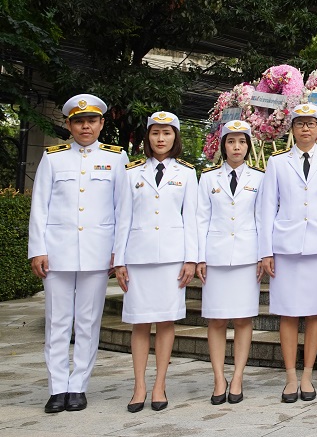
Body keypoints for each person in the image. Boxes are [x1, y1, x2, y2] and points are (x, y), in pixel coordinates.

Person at [28, 94, 128, 414]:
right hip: (57, 253)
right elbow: (39, 207)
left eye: (92, 121)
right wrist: (38, 250)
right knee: (57, 322)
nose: (86, 126)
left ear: (101, 123)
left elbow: (122, 211)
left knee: (87, 322)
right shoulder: (53, 157)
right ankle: (58, 387)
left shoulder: (116, 158)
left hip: (97, 254)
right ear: (69, 124)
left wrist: (118, 253)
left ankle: (78, 386)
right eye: (79, 121)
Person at [259, 103, 317, 403]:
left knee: (314, 311)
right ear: (292, 128)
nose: (305, 129)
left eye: (311, 123)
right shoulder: (278, 163)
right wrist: (265, 251)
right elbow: (267, 208)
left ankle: (307, 374)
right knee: (287, 313)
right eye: (300, 124)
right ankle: (290, 377)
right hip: (286, 247)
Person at [115, 111, 199, 413]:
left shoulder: (187, 173)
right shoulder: (131, 172)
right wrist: (119, 260)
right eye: (155, 133)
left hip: (172, 259)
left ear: (175, 137)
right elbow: (122, 219)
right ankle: (139, 385)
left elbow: (192, 219)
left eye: (167, 133)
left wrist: (192, 259)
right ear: (147, 137)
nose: (161, 138)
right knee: (139, 323)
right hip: (138, 257)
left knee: (165, 322)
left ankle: (160, 384)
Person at [196, 119, 264, 405]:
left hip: (248, 257)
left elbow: (263, 219)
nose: (237, 147)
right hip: (216, 256)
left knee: (243, 318)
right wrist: (199, 256)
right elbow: (200, 219)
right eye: (231, 141)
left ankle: (237, 377)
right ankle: (218, 378)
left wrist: (263, 254)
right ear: (223, 146)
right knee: (216, 319)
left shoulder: (260, 178)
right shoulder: (208, 178)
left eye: (242, 142)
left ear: (248, 146)